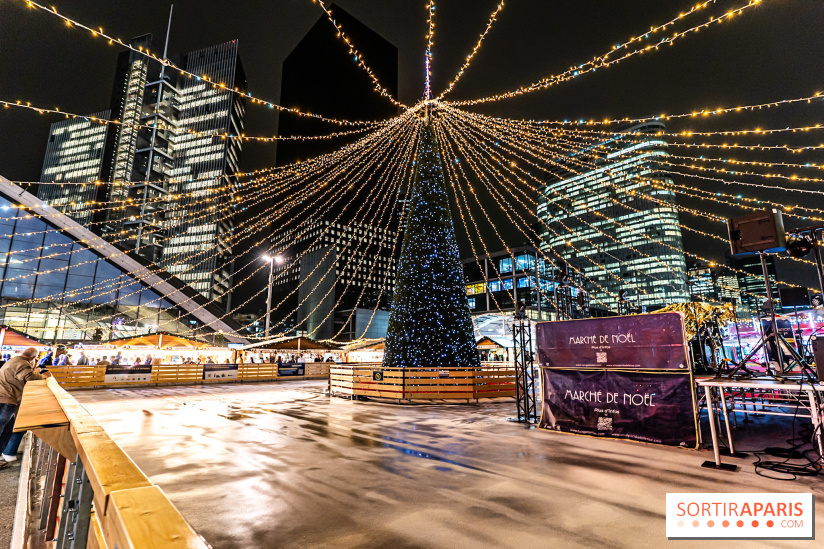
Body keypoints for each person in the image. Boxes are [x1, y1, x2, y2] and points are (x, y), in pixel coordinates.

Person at [0, 347, 51, 470]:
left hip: (4, 398)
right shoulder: (23, 365)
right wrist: (43, 375)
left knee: (8, 428)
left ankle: (4, 454)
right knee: (3, 429)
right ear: (33, 358)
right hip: (7, 400)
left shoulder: (13, 361)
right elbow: (30, 379)